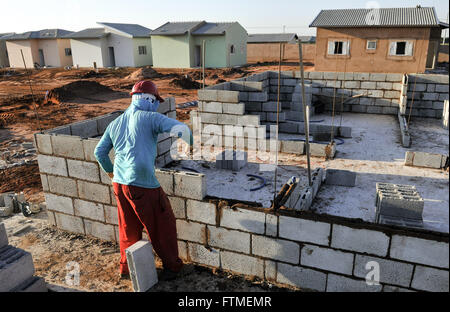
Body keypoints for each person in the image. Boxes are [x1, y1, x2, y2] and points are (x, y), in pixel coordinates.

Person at [94, 80, 193, 281]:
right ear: (149, 99)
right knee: (162, 224)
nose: (157, 104)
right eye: (156, 100)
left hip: (120, 185)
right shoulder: (150, 117)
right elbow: (182, 129)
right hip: (143, 184)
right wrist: (190, 144)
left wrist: (111, 172)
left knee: (128, 229)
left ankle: (127, 268)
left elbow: (99, 152)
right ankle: (172, 268)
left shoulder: (116, 122)